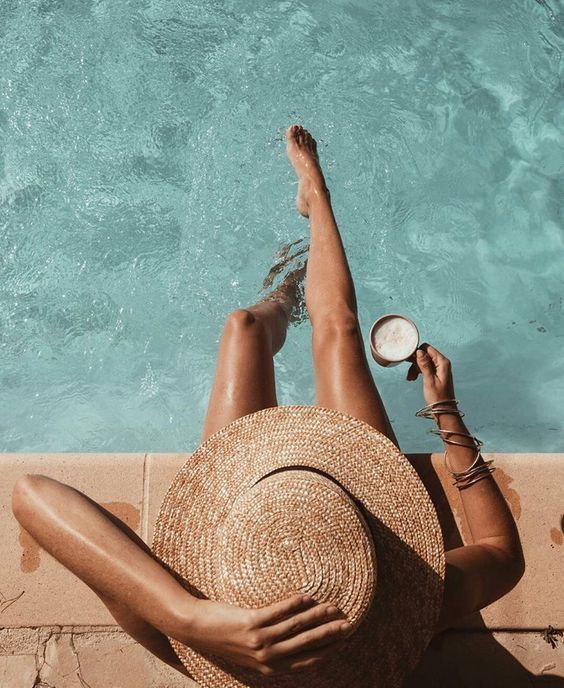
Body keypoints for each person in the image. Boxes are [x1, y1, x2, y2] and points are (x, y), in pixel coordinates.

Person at [11, 124, 525, 679]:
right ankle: (316, 200)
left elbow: (32, 495)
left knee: (246, 328)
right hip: (347, 518)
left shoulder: (199, 646)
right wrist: (445, 411)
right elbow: (501, 551)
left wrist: (191, 617)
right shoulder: (416, 607)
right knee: (336, 332)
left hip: (253, 510)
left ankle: (283, 294)